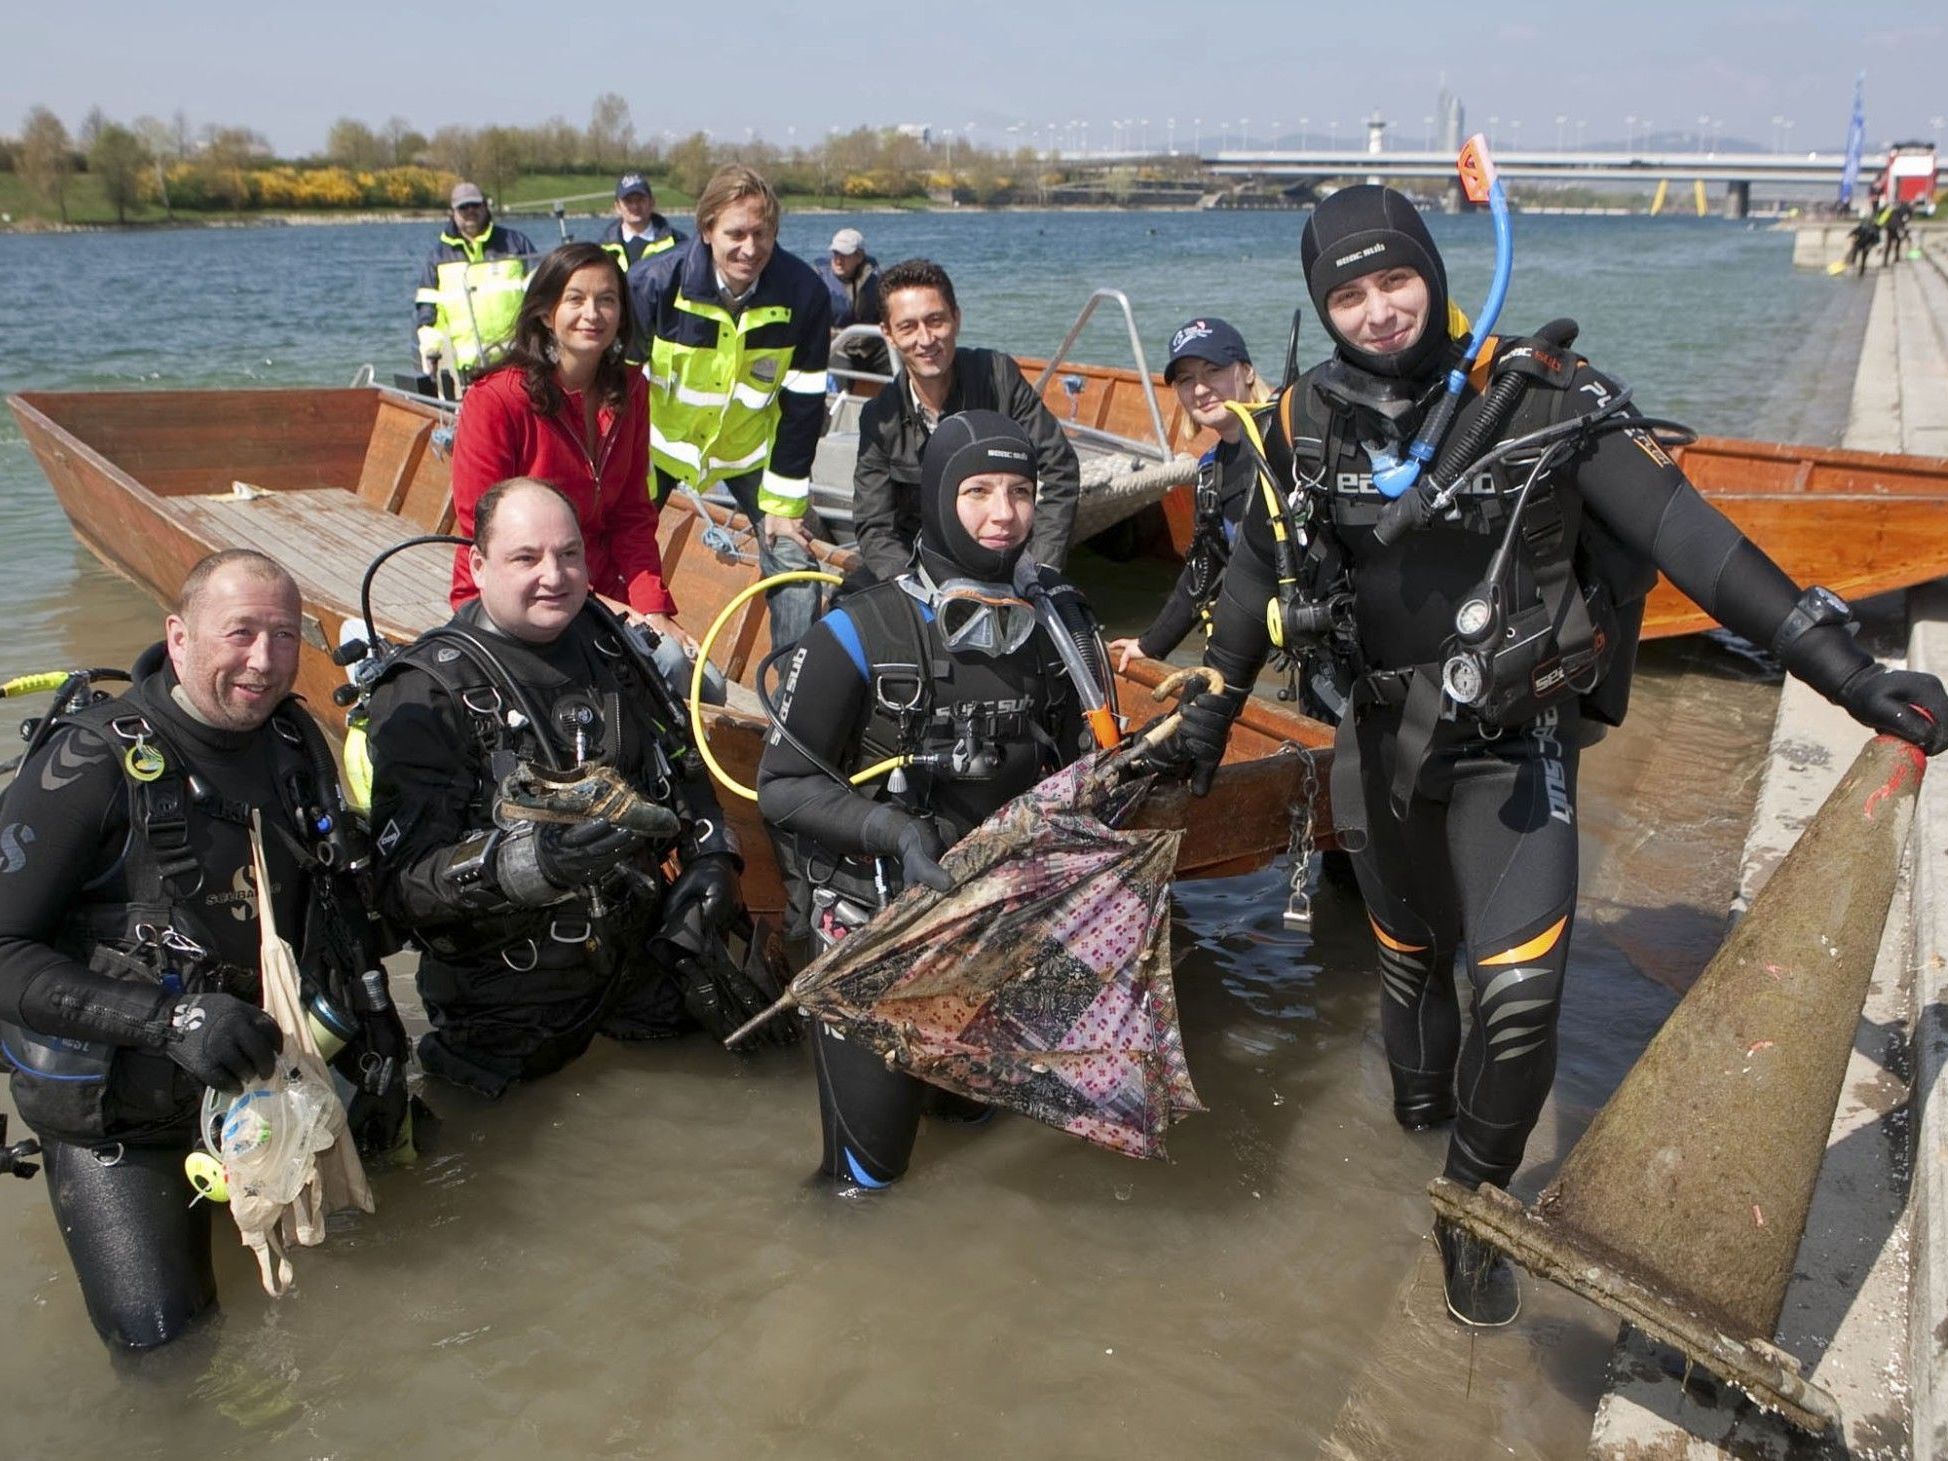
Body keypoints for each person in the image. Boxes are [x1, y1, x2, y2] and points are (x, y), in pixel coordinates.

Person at [1159, 184, 1948, 1328]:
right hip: (1378, 753)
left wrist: (1850, 673)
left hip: (1511, 750)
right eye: (1347, 292)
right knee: (1410, 978)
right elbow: (1246, 587)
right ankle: (1416, 1140)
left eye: (1396, 280)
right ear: (1320, 307)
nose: (1377, 310)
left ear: (1436, 273)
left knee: (1520, 1003)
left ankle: (1467, 1213)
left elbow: (1699, 544)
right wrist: (1205, 718)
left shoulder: (1545, 401)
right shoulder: (1298, 424)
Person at [0, 551, 409, 1350]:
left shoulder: (294, 741)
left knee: (404, 1236)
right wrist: (169, 1019)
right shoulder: (88, 766)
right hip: (127, 1115)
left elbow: (345, 900)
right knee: (170, 1356)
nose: (263, 659)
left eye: (284, 634)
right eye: (241, 632)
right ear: (179, 637)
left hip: (265, 1082)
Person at [757, 412, 1108, 1190]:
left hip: (999, 926)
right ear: (939, 497)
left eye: (1020, 491)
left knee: (980, 1135)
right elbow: (779, 787)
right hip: (876, 930)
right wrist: (894, 831)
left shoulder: (1062, 623)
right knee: (867, 1182)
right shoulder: (858, 630)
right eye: (978, 490)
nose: (1003, 513)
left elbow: (1093, 767)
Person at [366, 479, 757, 1098]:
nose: (555, 575)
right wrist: (531, 863)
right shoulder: (423, 693)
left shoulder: (609, 641)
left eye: (570, 554)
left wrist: (714, 858)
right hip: (509, 1003)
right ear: (479, 564)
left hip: (639, 967)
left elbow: (683, 764)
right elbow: (401, 886)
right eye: (526, 558)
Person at [630, 164, 832, 653]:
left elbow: (803, 409)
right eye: (735, 233)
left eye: (761, 234)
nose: (750, 248)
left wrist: (783, 512)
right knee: (611, 545)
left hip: (749, 455)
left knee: (796, 561)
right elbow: (619, 393)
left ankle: (794, 701)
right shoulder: (653, 283)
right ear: (706, 230)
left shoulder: (806, 295)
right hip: (655, 449)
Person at [448, 241, 684, 653]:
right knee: (667, 667)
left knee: (699, 676)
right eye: (575, 299)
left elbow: (632, 514)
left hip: (601, 592)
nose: (592, 314)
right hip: (515, 597)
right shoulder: (496, 399)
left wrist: (653, 610)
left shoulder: (631, 391)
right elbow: (480, 528)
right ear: (545, 311)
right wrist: (603, 608)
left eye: (607, 300)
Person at [852, 258, 1082, 585]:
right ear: (888, 334)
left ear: (956, 319)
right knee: (843, 606)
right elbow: (874, 524)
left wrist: (1036, 567)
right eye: (908, 327)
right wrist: (910, 586)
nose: (926, 339)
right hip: (919, 566)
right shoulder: (879, 417)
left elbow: (1060, 468)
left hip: (1000, 557)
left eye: (936, 321)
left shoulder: (1000, 377)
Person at [1107, 317, 1273, 672]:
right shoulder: (1211, 472)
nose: (1200, 389)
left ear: (1246, 371)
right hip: (1275, 638)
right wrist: (1150, 644)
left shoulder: (1292, 437)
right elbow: (1203, 567)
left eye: (1213, 370)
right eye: (1186, 380)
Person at [413, 181, 539, 379]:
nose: (470, 211)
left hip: (518, 362)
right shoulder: (437, 257)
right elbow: (429, 312)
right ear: (452, 212)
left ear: (485, 206)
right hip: (469, 371)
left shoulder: (516, 243)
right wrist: (431, 350)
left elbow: (542, 293)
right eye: (463, 207)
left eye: (475, 205)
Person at [816, 227, 890, 379]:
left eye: (844, 254)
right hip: (837, 345)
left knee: (901, 361)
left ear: (859, 256)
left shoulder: (877, 279)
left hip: (870, 346)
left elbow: (888, 313)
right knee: (842, 371)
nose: (838, 259)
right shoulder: (817, 280)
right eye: (835, 253)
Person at [599, 172, 683, 271]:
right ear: (617, 207)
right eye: (628, 201)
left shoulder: (678, 242)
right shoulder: (603, 249)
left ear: (652, 202)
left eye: (640, 200)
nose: (635, 206)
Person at [1845, 213, 1880, 277]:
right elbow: (1854, 231)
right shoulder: (1864, 227)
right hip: (1861, 243)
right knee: (1857, 253)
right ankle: (1854, 265)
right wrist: (1850, 236)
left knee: (1863, 257)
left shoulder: (1873, 229)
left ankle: (1860, 271)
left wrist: (1874, 245)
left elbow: (1876, 239)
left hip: (1866, 244)